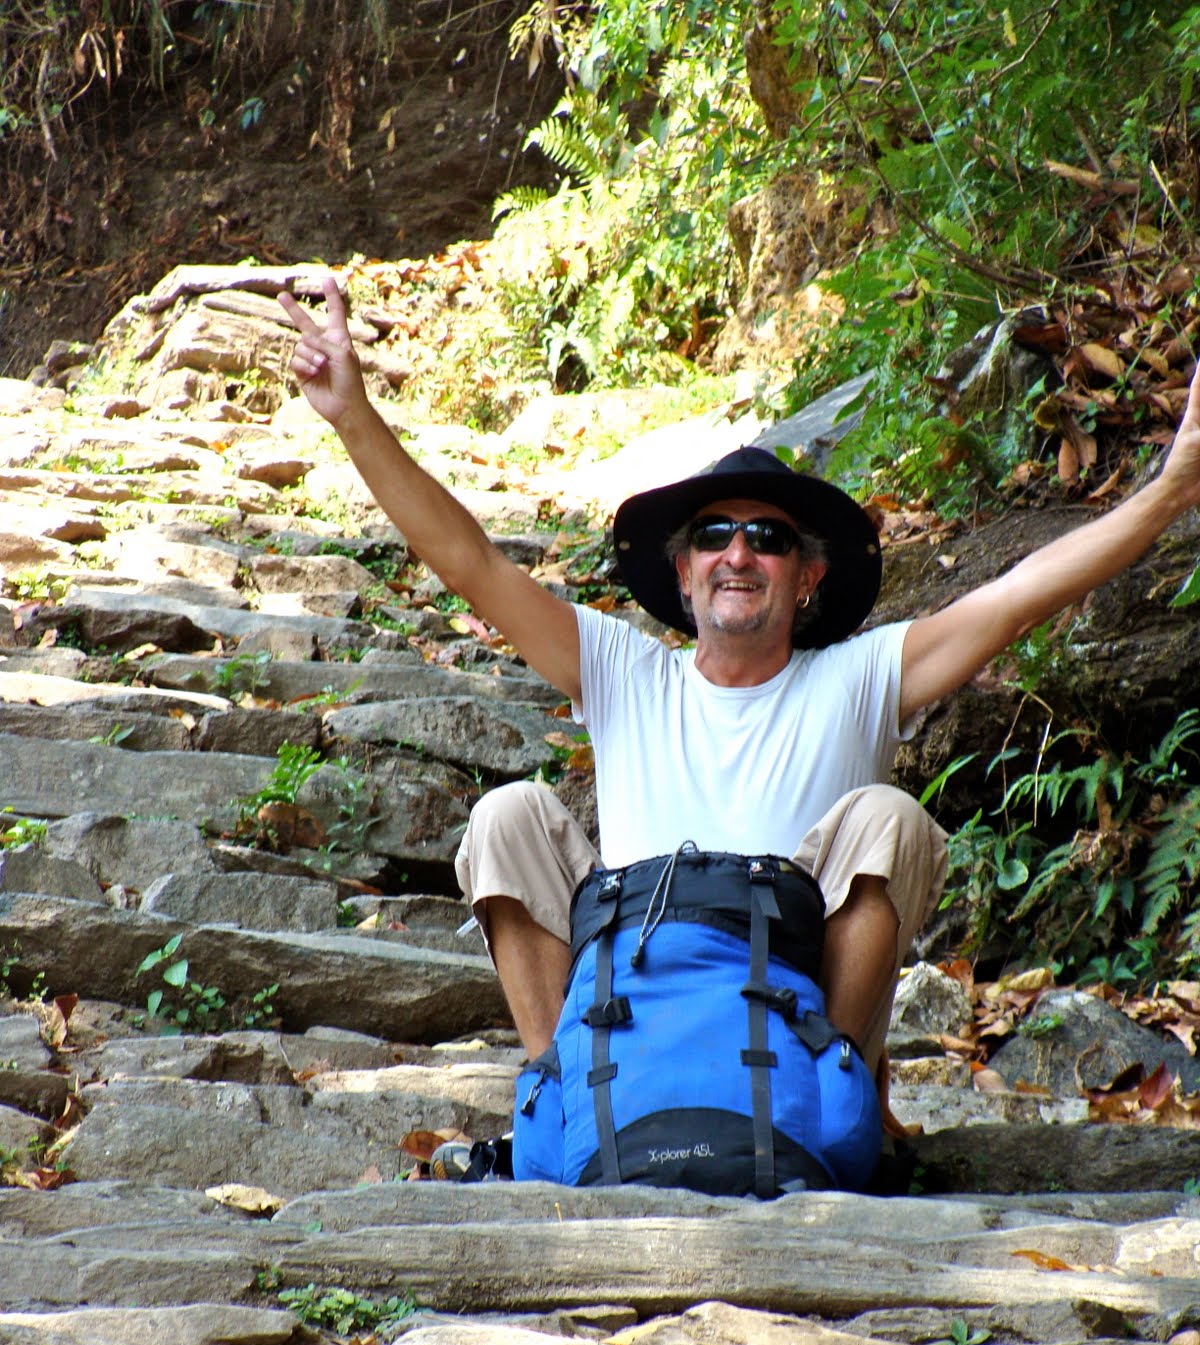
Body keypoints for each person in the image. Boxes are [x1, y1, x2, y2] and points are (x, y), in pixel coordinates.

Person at [279, 275, 1200, 1140]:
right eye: (714, 533)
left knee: (890, 820)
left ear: (808, 579)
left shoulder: (858, 678)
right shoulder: (624, 672)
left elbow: (1015, 598)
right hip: (636, 1011)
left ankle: (830, 1112)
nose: (739, 552)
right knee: (507, 817)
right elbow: (471, 562)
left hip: (790, 1024)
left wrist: (1171, 492)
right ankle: (569, 1107)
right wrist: (353, 415)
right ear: (683, 574)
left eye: (768, 537)